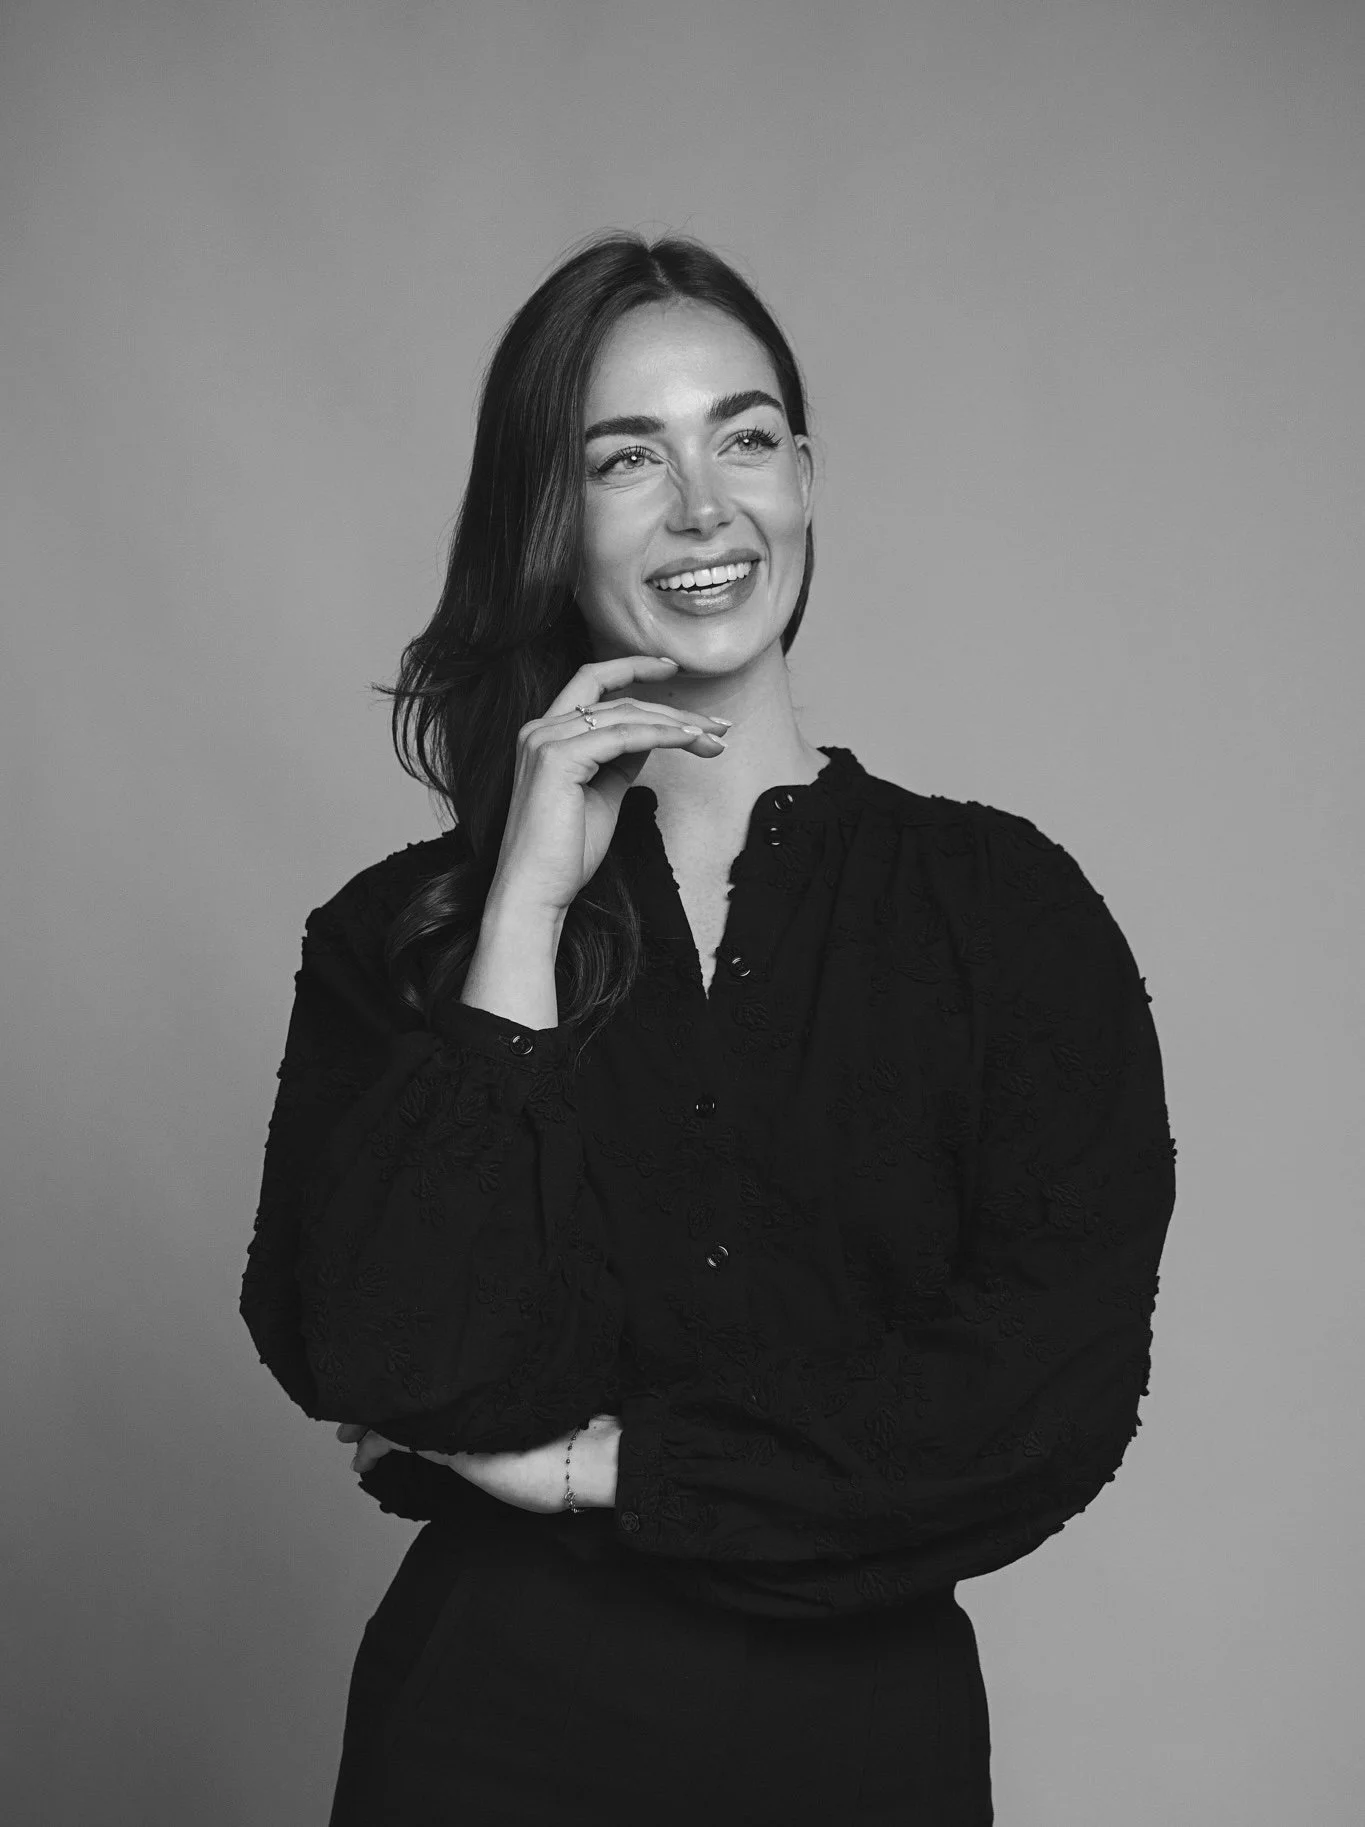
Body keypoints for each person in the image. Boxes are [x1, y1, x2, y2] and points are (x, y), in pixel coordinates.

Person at [239, 231, 1177, 1826]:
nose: (701, 508)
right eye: (627, 458)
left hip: (862, 1755)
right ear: (550, 516)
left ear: (804, 475)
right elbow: (385, 1354)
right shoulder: (402, 936)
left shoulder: (1006, 913)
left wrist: (616, 1470)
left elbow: (1045, 1393)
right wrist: (523, 910)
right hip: (484, 1743)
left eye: (742, 437)